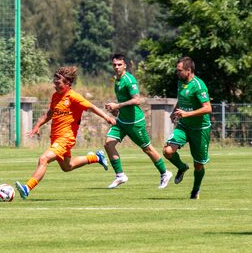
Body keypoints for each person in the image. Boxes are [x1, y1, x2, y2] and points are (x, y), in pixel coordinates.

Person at [15, 66, 116, 200]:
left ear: (68, 83)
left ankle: (27, 188)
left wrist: (107, 117)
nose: (55, 86)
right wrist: (37, 125)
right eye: (54, 83)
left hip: (66, 138)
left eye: (58, 84)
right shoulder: (56, 96)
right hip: (56, 138)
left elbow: (91, 107)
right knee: (67, 167)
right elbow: (50, 113)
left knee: (43, 158)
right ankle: (96, 157)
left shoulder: (74, 97)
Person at [103, 53, 173, 189]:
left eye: (119, 65)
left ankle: (165, 173)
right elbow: (124, 101)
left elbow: (137, 100)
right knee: (108, 144)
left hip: (135, 123)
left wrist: (118, 105)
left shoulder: (129, 80)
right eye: (114, 65)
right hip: (122, 121)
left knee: (147, 148)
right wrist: (116, 110)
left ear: (125, 65)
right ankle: (120, 175)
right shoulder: (117, 80)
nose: (116, 67)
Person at [163, 56, 212, 199]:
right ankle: (182, 167)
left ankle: (196, 189)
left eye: (179, 71)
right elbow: (182, 99)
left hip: (200, 129)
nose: (176, 73)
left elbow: (208, 108)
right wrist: (174, 112)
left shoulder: (199, 85)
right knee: (167, 151)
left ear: (189, 70)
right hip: (184, 126)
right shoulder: (180, 82)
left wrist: (187, 113)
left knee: (198, 165)